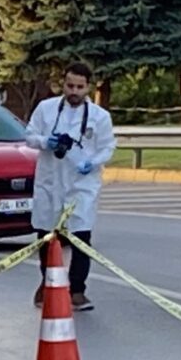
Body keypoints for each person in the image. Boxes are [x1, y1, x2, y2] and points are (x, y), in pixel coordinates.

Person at [24, 61, 116, 312]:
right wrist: (46, 141)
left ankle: (77, 290)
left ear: (88, 88)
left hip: (81, 185)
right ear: (62, 84)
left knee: (81, 237)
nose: (74, 91)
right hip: (50, 183)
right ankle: (47, 282)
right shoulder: (46, 109)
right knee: (46, 236)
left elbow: (107, 147)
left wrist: (92, 162)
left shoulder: (99, 117)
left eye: (79, 87)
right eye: (69, 85)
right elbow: (29, 136)